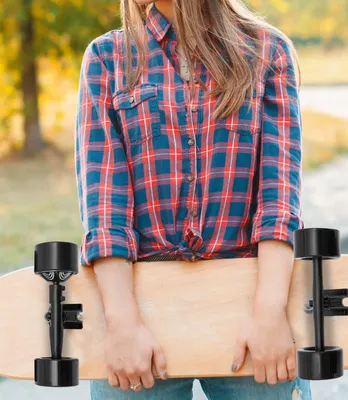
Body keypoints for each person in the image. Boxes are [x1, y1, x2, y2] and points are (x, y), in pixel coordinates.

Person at [75, 0, 311, 398]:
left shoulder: (267, 52)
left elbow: (278, 201)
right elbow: (104, 211)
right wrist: (122, 325)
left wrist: (269, 313)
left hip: (253, 309)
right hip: (138, 315)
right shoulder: (108, 57)